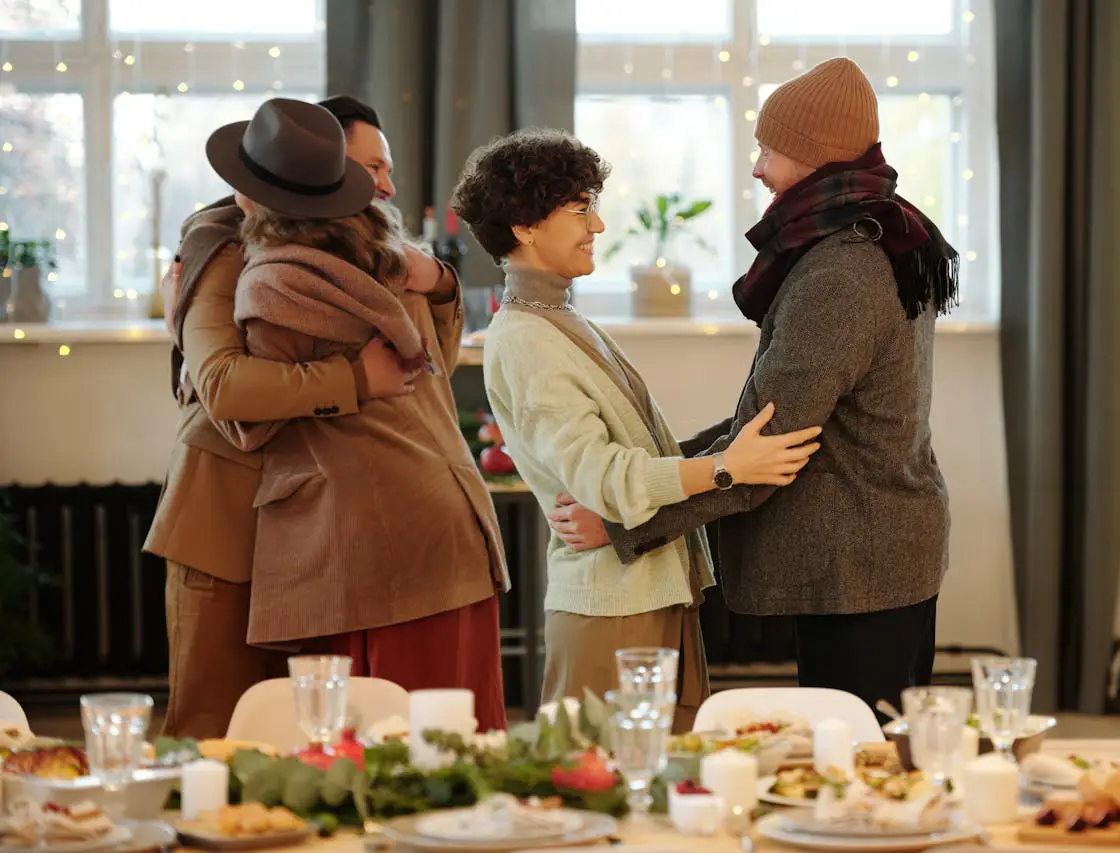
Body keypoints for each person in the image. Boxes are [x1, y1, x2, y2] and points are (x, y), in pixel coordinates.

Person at [551, 58, 957, 718]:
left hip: (857, 566)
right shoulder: (883, 232)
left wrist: (624, 516)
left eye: (768, 148)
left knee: (854, 775)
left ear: (812, 155)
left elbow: (766, 450)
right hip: (879, 554)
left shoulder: (841, 271)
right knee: (875, 766)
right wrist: (642, 474)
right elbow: (763, 426)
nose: (757, 167)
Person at [451, 128, 821, 731]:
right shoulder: (526, 338)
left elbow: (643, 452)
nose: (596, 225)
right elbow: (606, 480)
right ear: (524, 226)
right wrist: (729, 467)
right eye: (579, 209)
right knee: (601, 795)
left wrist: (732, 444)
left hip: (647, 593)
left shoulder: (562, 317)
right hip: (611, 611)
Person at [203, 97, 509, 732]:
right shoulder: (391, 258)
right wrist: (443, 285)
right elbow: (434, 368)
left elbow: (236, 405)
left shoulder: (273, 281)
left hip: (368, 546)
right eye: (373, 167)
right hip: (440, 523)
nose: (387, 184)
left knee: (373, 745)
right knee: (451, 741)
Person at [145, 94, 419, 739]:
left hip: (310, 533)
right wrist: (355, 380)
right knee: (213, 729)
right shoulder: (222, 247)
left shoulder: (340, 243)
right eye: (366, 168)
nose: (379, 185)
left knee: (307, 733)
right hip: (226, 522)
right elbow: (220, 383)